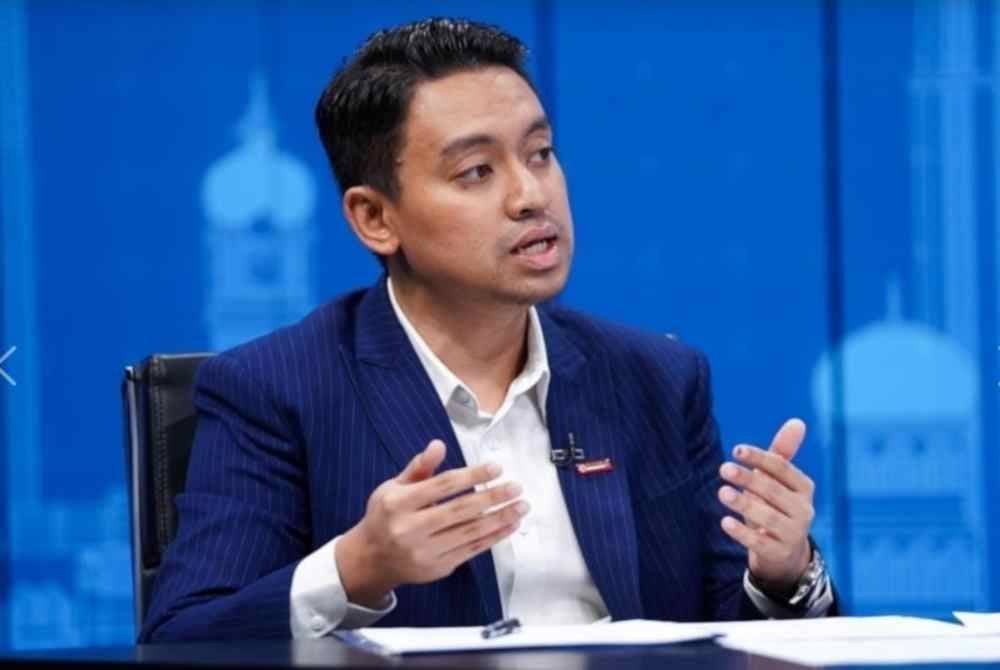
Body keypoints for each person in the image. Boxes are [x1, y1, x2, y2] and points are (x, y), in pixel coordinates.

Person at [140, 17, 836, 642]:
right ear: (375, 218)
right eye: (476, 171)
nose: (531, 195)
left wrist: (784, 573)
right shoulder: (277, 389)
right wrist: (358, 567)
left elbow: (722, 634)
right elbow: (182, 634)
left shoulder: (656, 379)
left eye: (540, 153)